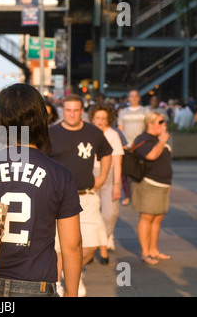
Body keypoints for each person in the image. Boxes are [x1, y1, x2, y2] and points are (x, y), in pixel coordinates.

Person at [0, 83, 83, 297]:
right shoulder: (59, 174)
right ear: (42, 120)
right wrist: (72, 293)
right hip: (36, 285)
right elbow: (72, 245)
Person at [48, 94, 112, 297]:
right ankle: (58, 284)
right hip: (58, 199)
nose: (72, 114)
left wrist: (102, 177)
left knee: (92, 245)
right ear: (62, 111)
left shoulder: (93, 132)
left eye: (76, 110)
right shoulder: (51, 133)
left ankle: (72, 272)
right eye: (68, 110)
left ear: (82, 111)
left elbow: (106, 153)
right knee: (58, 247)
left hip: (87, 196)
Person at [131, 111, 172, 265]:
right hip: (149, 184)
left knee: (157, 219)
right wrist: (161, 141)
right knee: (147, 218)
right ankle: (145, 252)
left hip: (163, 184)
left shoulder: (159, 139)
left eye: (164, 121)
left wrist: (169, 184)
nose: (164, 125)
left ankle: (154, 250)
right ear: (150, 123)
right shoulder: (144, 139)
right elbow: (151, 155)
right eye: (160, 122)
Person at [89, 103, 124, 255]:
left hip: (109, 176)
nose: (100, 121)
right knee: (91, 212)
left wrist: (117, 185)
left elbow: (117, 163)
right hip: (89, 175)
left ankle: (108, 235)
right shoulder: (87, 132)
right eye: (97, 118)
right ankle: (96, 240)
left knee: (110, 213)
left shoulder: (113, 135)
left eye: (103, 118)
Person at [117, 89, 149, 206]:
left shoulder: (145, 111)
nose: (134, 98)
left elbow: (148, 128)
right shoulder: (123, 112)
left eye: (136, 96)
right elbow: (120, 129)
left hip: (141, 146)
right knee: (125, 174)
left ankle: (140, 196)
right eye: (131, 96)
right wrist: (121, 143)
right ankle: (127, 195)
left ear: (139, 98)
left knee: (141, 171)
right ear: (128, 98)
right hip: (127, 146)